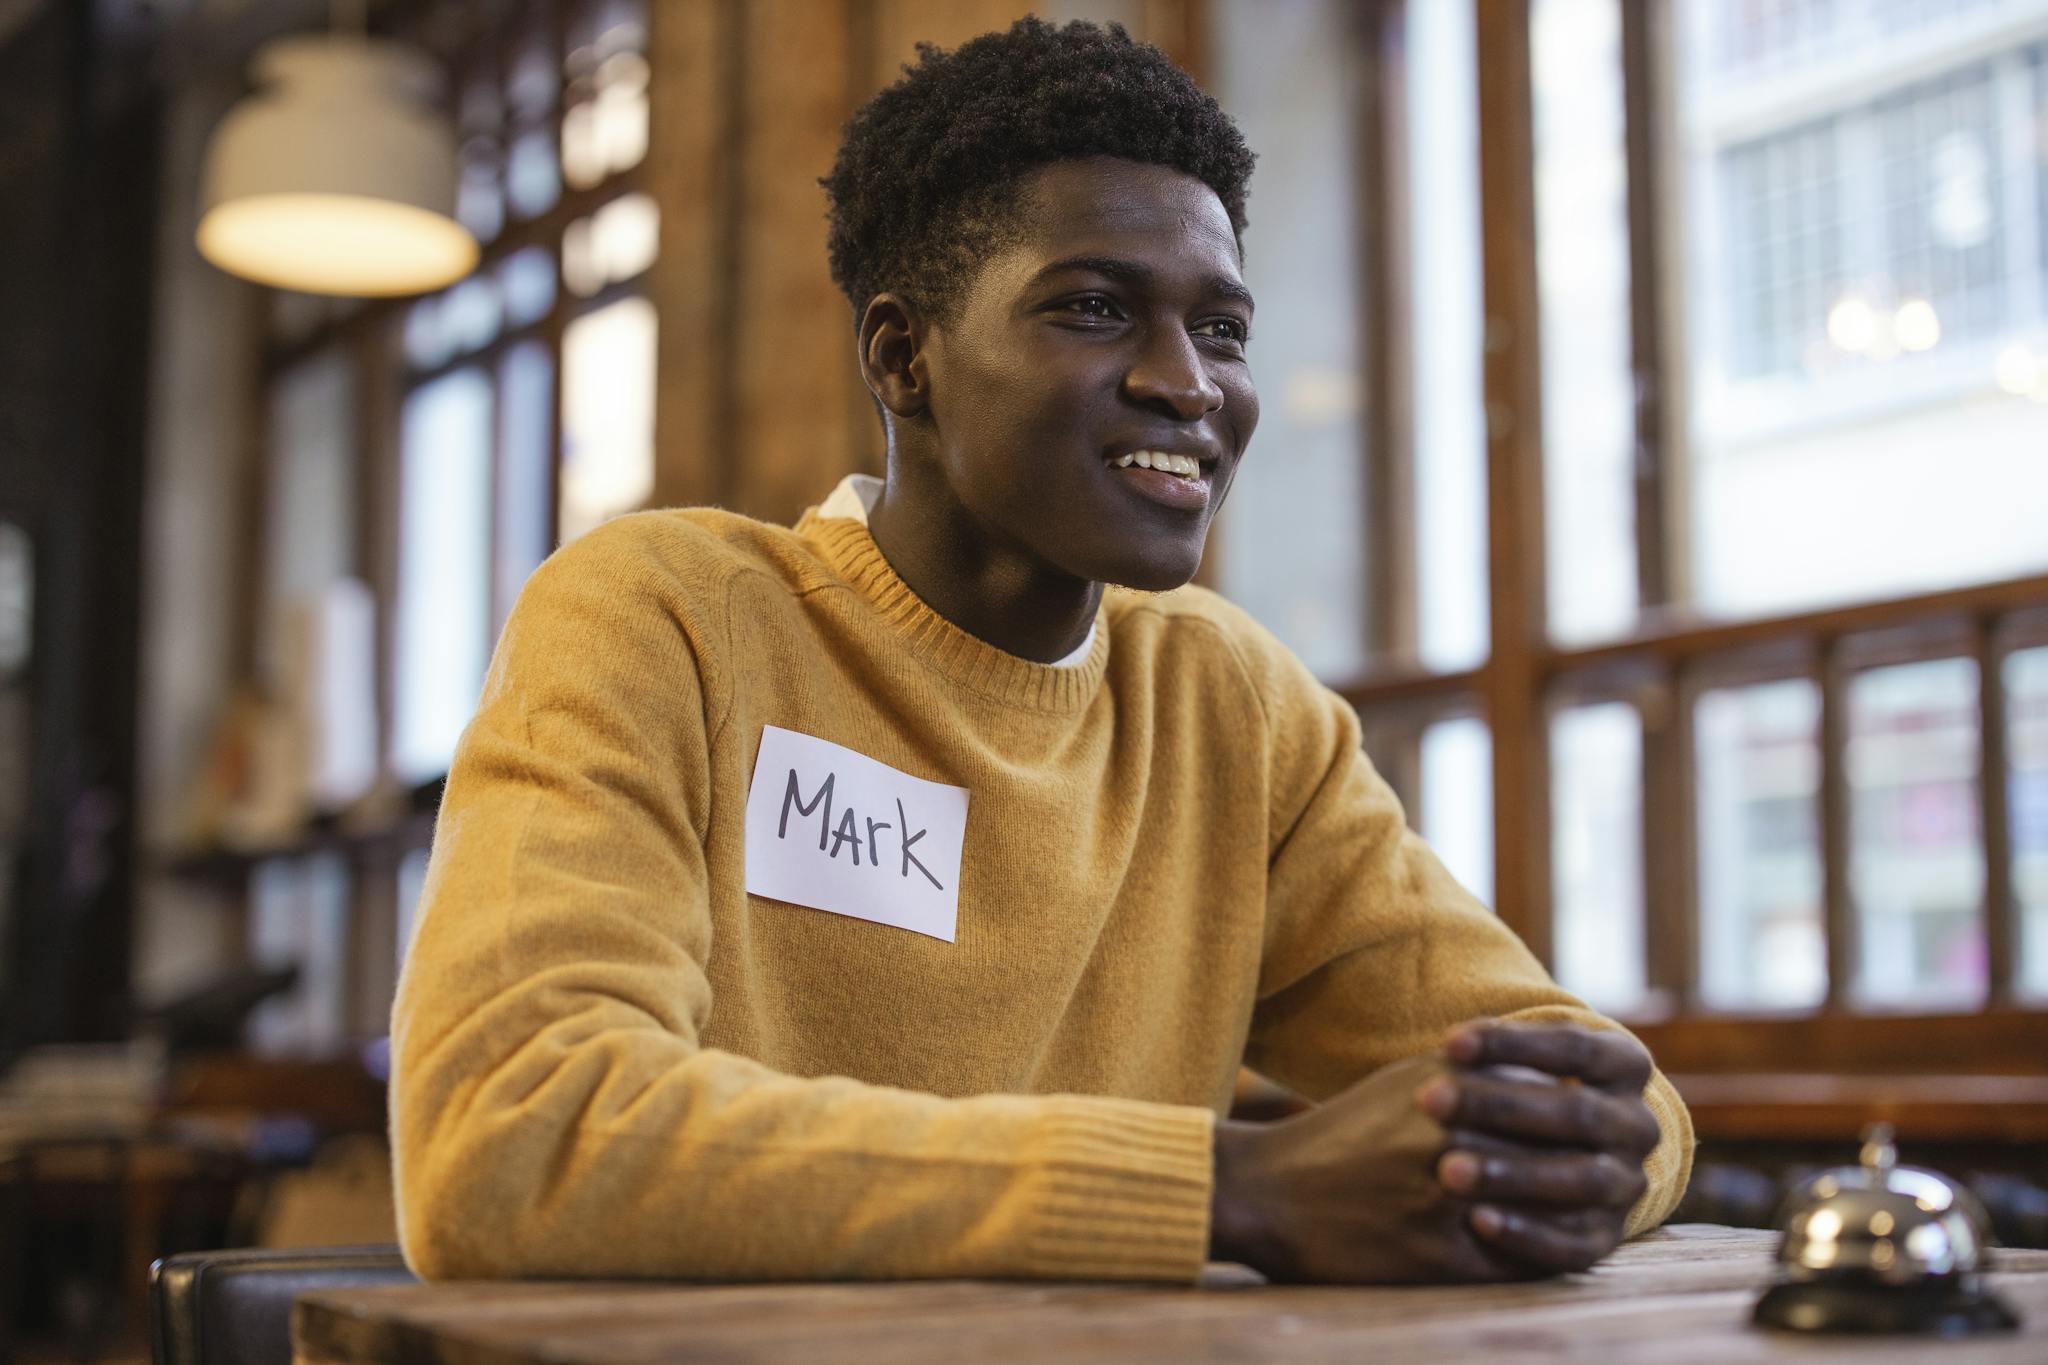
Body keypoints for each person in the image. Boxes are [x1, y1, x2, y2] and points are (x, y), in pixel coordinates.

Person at [390, 17, 1692, 1286]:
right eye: (1093, 308)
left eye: (1223, 328)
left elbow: (1605, 1093)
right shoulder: (662, 617)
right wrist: (1222, 1191)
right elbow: (513, 1131)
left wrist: (1569, 1150)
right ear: (906, 359)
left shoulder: (1230, 705)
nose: (1189, 382)